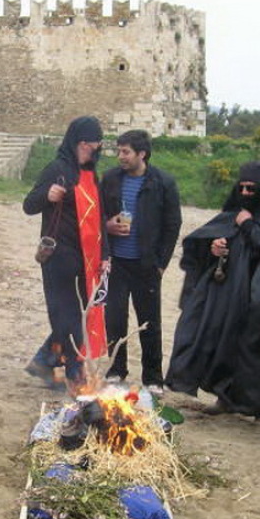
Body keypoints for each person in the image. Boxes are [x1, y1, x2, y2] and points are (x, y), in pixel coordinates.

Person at [166, 161, 260, 414]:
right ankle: (223, 397)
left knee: (250, 349)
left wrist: (247, 225)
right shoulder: (231, 213)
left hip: (257, 296)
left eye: (250, 189)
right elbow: (206, 240)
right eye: (241, 188)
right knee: (211, 336)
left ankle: (253, 405)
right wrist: (214, 247)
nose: (244, 194)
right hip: (226, 293)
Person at [23, 116, 109, 390]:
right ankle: (74, 373)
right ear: (74, 142)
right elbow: (29, 205)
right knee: (68, 316)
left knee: (78, 315)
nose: (88, 149)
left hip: (88, 258)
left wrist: (106, 254)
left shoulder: (92, 175)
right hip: (59, 258)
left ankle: (44, 362)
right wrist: (46, 196)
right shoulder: (56, 169)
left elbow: (99, 216)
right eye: (84, 144)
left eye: (92, 145)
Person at [101, 129, 182, 394]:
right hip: (116, 262)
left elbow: (173, 224)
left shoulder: (163, 182)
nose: (120, 156)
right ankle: (116, 370)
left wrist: (161, 263)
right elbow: (98, 215)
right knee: (114, 319)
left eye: (125, 152)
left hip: (146, 265)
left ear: (142, 154)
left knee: (150, 322)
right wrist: (107, 226)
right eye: (119, 151)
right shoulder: (111, 179)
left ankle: (153, 378)